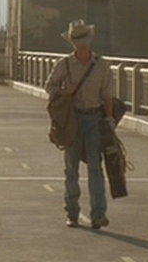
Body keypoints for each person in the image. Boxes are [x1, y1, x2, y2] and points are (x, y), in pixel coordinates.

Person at [44, 19, 115, 229]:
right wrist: (65, 92)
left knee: (95, 168)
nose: (81, 45)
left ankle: (98, 214)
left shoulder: (101, 65)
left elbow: (107, 96)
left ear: (89, 40)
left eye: (83, 40)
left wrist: (109, 120)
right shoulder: (64, 64)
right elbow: (49, 86)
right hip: (72, 120)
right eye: (77, 41)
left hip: (94, 119)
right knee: (71, 168)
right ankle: (72, 212)